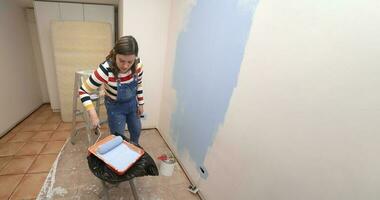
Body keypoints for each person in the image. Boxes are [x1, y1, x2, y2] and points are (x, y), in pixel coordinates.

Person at [79, 35, 144, 144]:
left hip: (133, 104)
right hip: (115, 107)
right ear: (115, 54)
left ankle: (134, 151)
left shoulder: (138, 65)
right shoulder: (105, 70)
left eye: (130, 62)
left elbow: (139, 84)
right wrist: (93, 114)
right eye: (121, 60)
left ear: (135, 58)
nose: (125, 66)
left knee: (136, 130)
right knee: (118, 138)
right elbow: (83, 91)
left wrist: (141, 103)